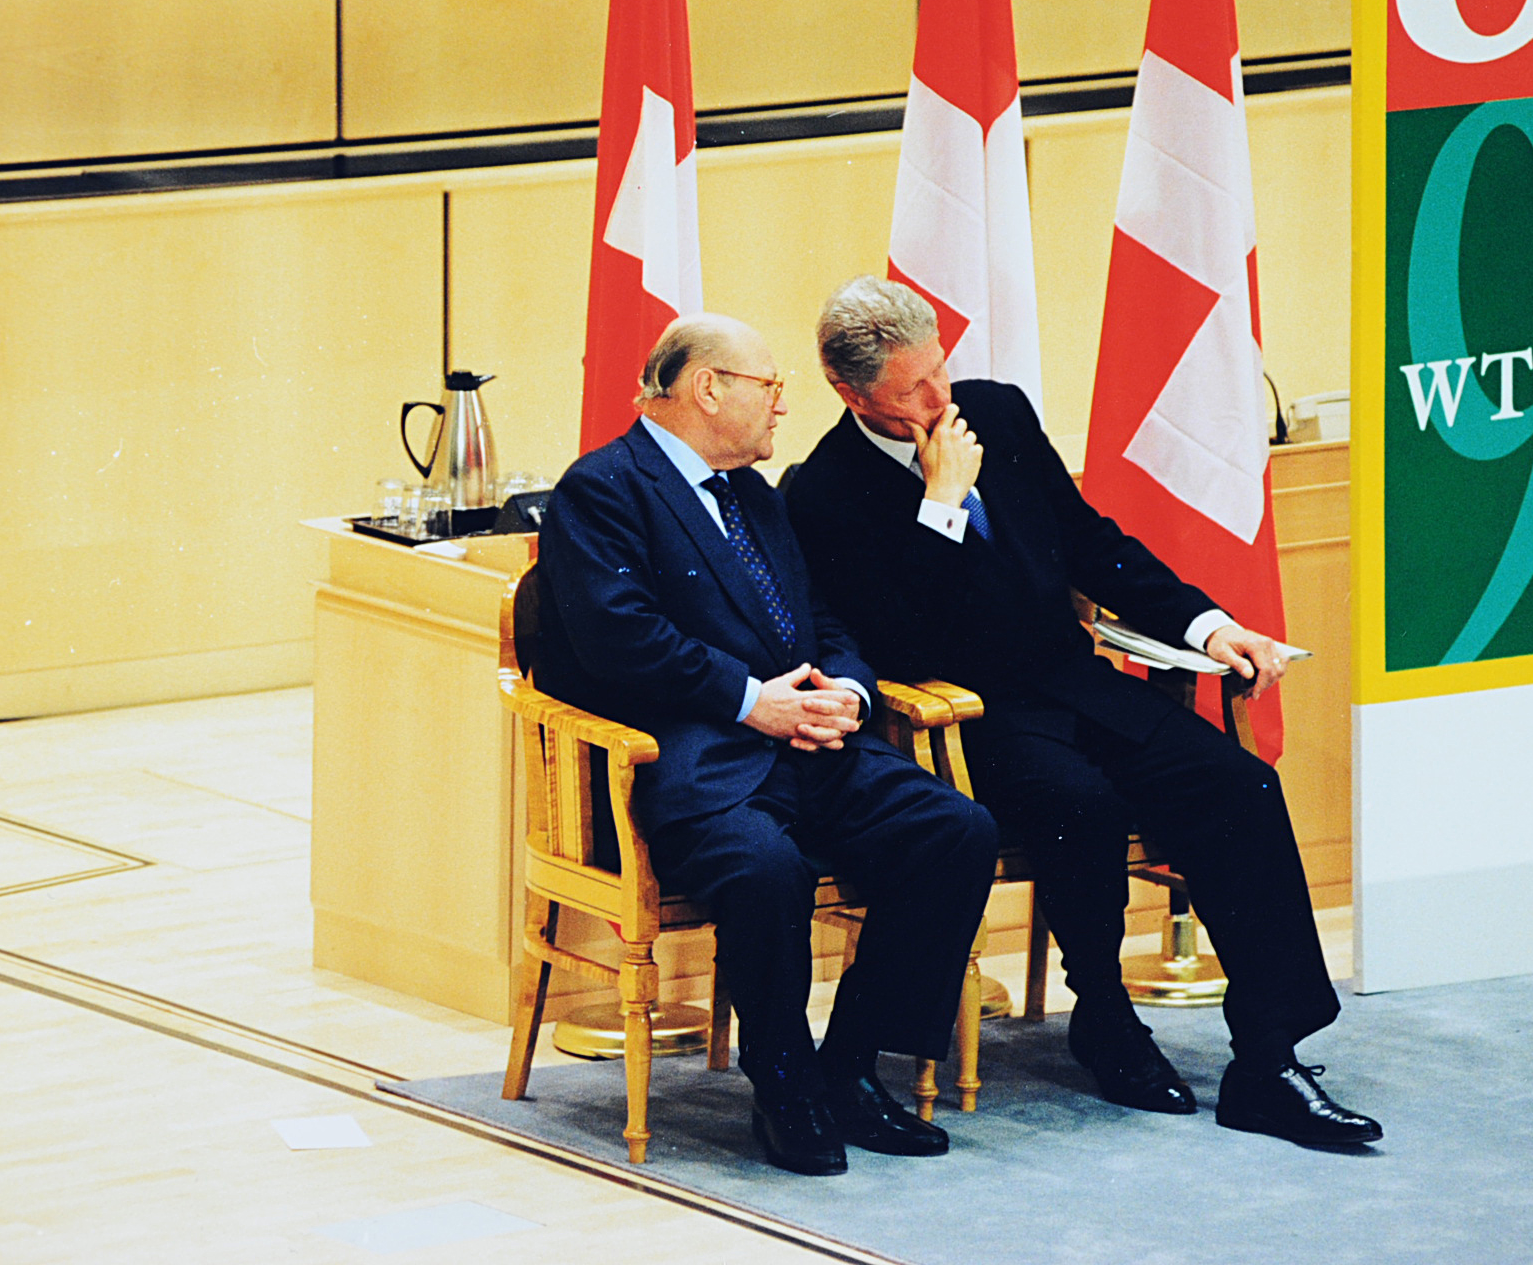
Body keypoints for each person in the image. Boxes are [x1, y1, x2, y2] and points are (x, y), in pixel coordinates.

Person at [784, 276, 1380, 1147]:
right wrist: (939, 505)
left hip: (1074, 680)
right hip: (972, 717)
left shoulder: (996, 412)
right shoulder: (822, 492)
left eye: (939, 369)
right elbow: (899, 642)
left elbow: (1091, 541)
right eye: (912, 388)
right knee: (1081, 805)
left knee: (1239, 785)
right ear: (851, 392)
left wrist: (1209, 626)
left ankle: (1267, 1058)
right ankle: (1103, 1013)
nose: (939, 398)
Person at [530, 313, 999, 1176]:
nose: (784, 405)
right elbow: (620, 639)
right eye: (770, 387)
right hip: (692, 763)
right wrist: (753, 704)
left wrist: (849, 692)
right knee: (766, 870)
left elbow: (819, 620)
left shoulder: (753, 493)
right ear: (708, 388)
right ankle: (784, 1088)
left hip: (809, 745)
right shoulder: (604, 489)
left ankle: (849, 1068)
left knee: (954, 831)